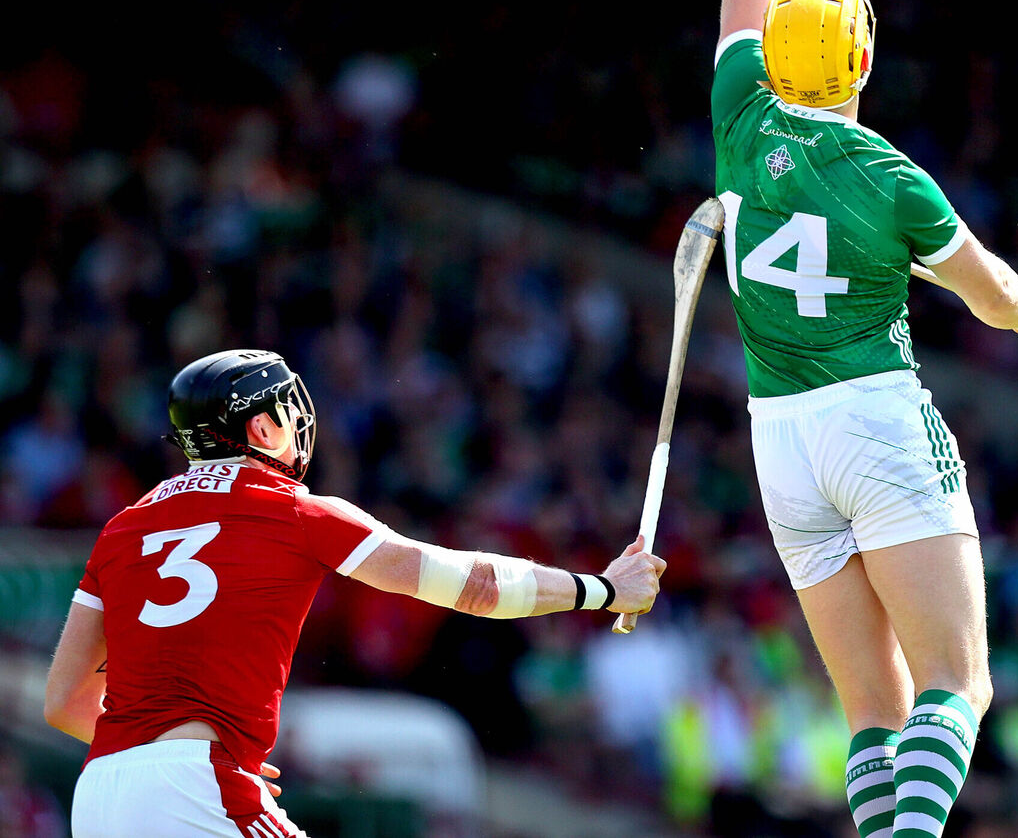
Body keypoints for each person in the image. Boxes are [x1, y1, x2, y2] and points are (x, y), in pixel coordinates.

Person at [714, 0, 1018, 838]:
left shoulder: (737, 114)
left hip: (783, 440)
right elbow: (994, 294)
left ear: (773, 56)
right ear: (863, 62)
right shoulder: (892, 177)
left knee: (874, 708)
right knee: (960, 683)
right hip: (874, 418)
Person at [44, 348, 665, 838]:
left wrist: (157, 760)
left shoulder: (122, 528)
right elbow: (472, 586)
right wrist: (604, 588)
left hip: (99, 793)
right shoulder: (297, 513)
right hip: (204, 783)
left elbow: (66, 702)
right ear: (261, 428)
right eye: (287, 412)